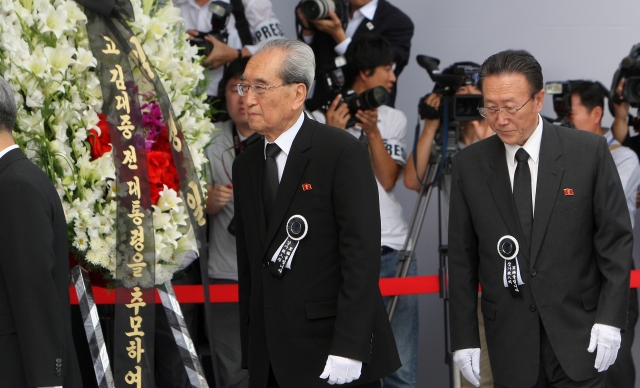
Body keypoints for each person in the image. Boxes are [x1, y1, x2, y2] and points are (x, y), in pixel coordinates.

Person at [449, 50, 633, 388]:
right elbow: (462, 259)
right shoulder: (468, 166)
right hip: (510, 342)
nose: (499, 118)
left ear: (538, 100)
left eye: (510, 106)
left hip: (581, 335)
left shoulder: (587, 152)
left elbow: (616, 242)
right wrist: (463, 337)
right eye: (490, 107)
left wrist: (610, 319)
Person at [233, 38, 400, 388]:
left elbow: (361, 257)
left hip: (333, 351)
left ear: (297, 94)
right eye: (244, 86)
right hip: (271, 357)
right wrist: (253, 350)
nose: (247, 98)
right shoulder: (246, 163)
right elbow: (250, 264)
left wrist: (351, 348)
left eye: (260, 87)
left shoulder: (340, 151)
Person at [311, 34, 415, 388]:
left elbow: (387, 179)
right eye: (387, 68)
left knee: (400, 366)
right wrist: (333, 133)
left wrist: (371, 133)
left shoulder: (393, 118)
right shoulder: (319, 117)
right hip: (340, 251)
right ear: (365, 71)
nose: (393, 77)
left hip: (390, 245)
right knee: (349, 363)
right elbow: (317, 187)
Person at [403, 62, 495, 388]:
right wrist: (431, 125)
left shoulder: (506, 134)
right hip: (467, 267)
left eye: (475, 93)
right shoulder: (445, 140)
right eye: (461, 95)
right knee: (474, 370)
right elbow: (413, 180)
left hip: (511, 263)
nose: (468, 101)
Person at [0, 76, 82, 387]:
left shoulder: (15, 185)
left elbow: (34, 292)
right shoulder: (16, 177)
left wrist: (48, 381)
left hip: (22, 372)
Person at [567, 80, 640, 388]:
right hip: (573, 268)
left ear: (596, 113)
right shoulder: (559, 154)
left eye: (572, 112)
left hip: (613, 267)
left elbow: (595, 208)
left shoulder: (623, 156)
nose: (567, 119)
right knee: (575, 358)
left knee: (616, 360)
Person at [204, 56, 258, 388]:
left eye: (249, 87)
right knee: (233, 372)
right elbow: (187, 205)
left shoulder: (283, 138)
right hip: (225, 272)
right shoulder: (209, 139)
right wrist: (206, 203)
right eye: (233, 88)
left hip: (278, 272)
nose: (242, 97)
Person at [297, 0, 413, 110]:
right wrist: (308, 30)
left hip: (367, 110)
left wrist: (339, 36)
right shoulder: (329, 7)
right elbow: (312, 62)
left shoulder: (398, 23)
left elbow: (386, 68)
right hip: (323, 105)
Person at [404, 61, 493, 191]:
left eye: (476, 88)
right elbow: (413, 182)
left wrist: (488, 143)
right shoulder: (444, 144)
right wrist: (429, 127)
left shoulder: (504, 138)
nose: (470, 95)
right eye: (461, 89)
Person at [176, 0, 285, 98]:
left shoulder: (249, 3)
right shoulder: (172, 5)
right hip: (186, 103)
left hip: (241, 105)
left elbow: (279, 50)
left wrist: (236, 54)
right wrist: (180, 45)